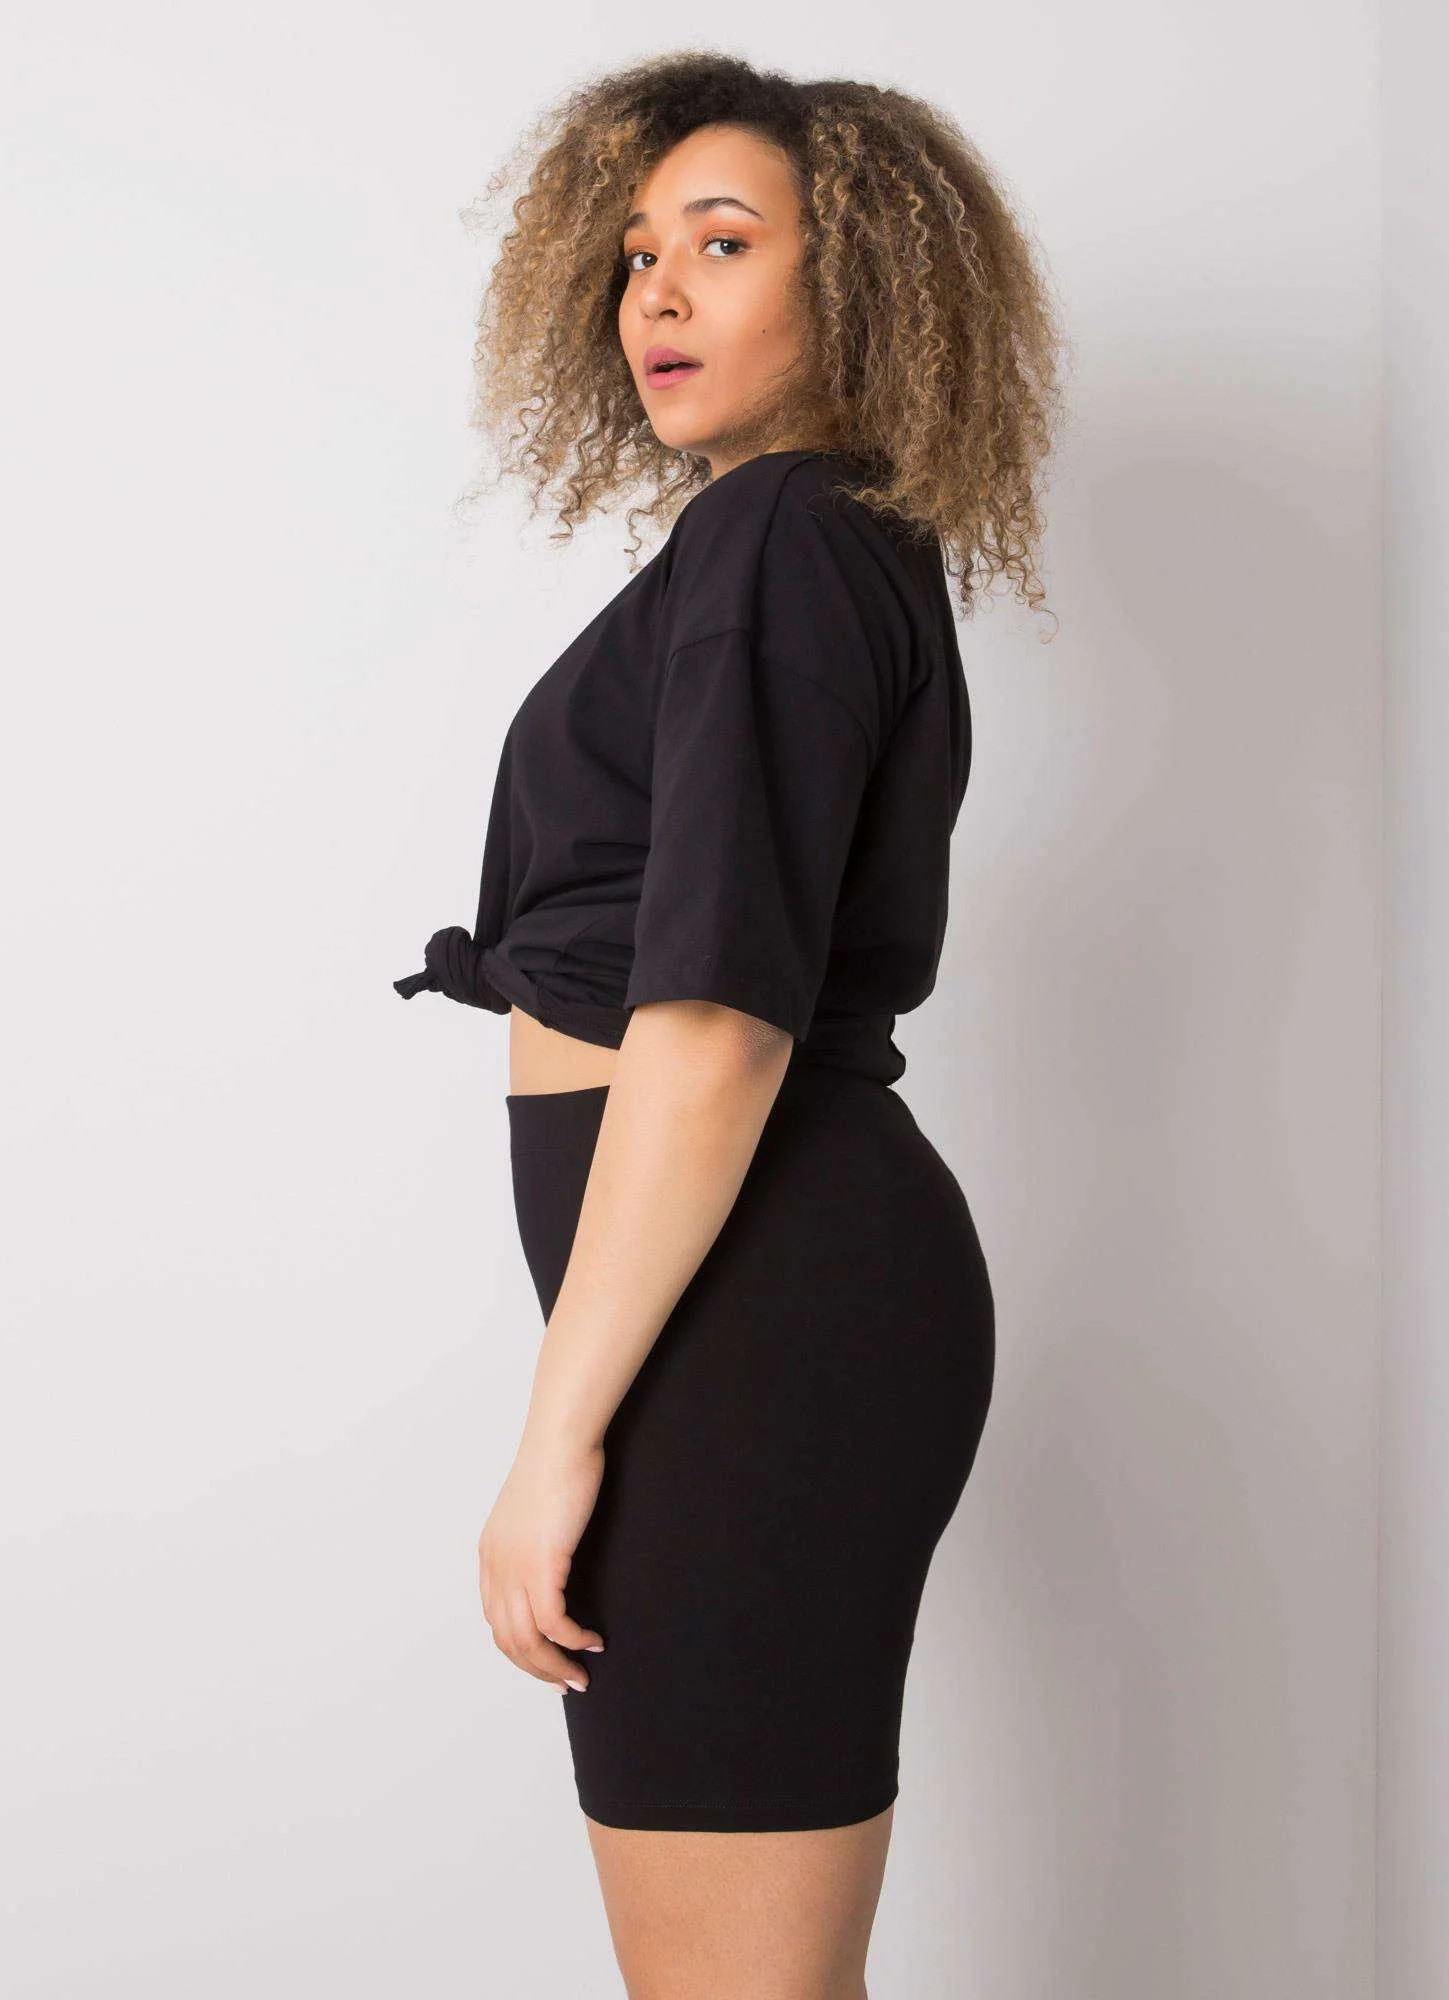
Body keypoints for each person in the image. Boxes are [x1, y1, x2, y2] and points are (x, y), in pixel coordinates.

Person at [394, 51, 1064, 2000]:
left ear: (859, 275)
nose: (658, 293)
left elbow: (711, 1024)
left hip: (754, 1321)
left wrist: (557, 1437)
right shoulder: (800, 538)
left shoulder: (786, 535)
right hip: (755, 1313)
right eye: (635, 253)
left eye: (724, 242)